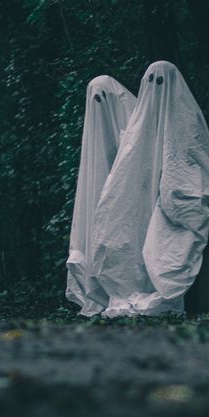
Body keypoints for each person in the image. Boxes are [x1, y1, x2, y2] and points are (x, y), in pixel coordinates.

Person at [89, 61, 209, 317]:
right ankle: (135, 286)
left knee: (167, 232)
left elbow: (194, 159)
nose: (156, 88)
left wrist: (176, 193)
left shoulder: (186, 117)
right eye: (151, 81)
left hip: (179, 198)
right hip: (150, 201)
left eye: (160, 82)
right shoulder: (141, 124)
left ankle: (166, 290)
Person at [65, 75, 136, 316]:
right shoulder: (95, 132)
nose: (98, 103)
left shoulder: (134, 118)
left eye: (102, 97)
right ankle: (101, 289)